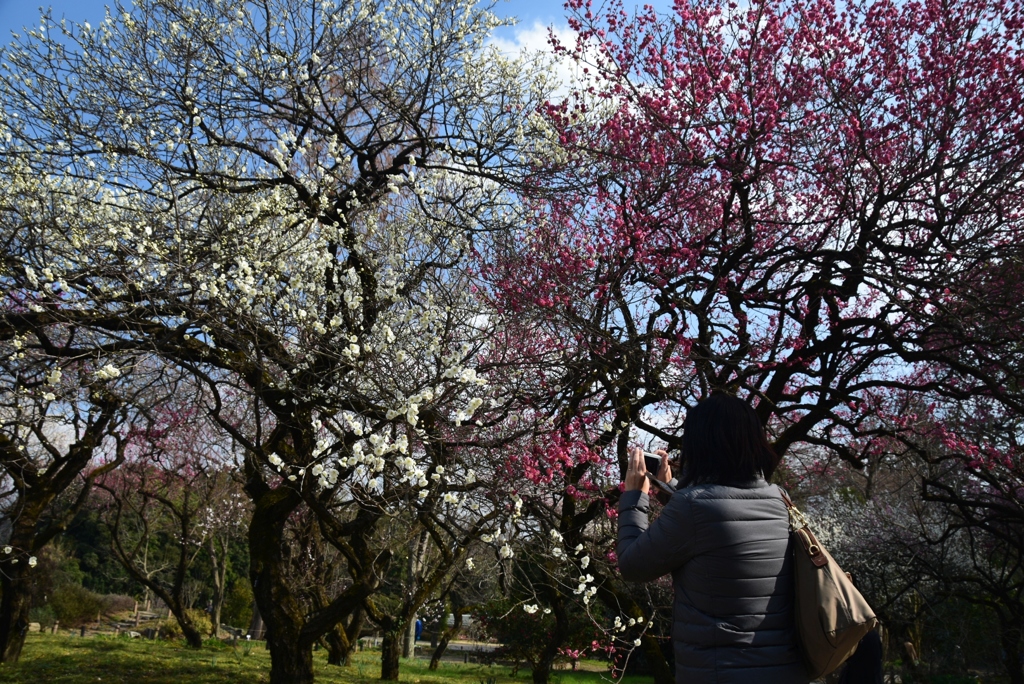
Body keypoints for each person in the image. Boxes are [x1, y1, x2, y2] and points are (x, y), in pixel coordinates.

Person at [617, 392, 808, 684]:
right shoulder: (779, 499)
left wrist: (635, 496)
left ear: (700, 445)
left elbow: (632, 566)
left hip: (720, 672)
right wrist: (670, 487)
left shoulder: (692, 508)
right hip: (785, 670)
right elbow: (721, 514)